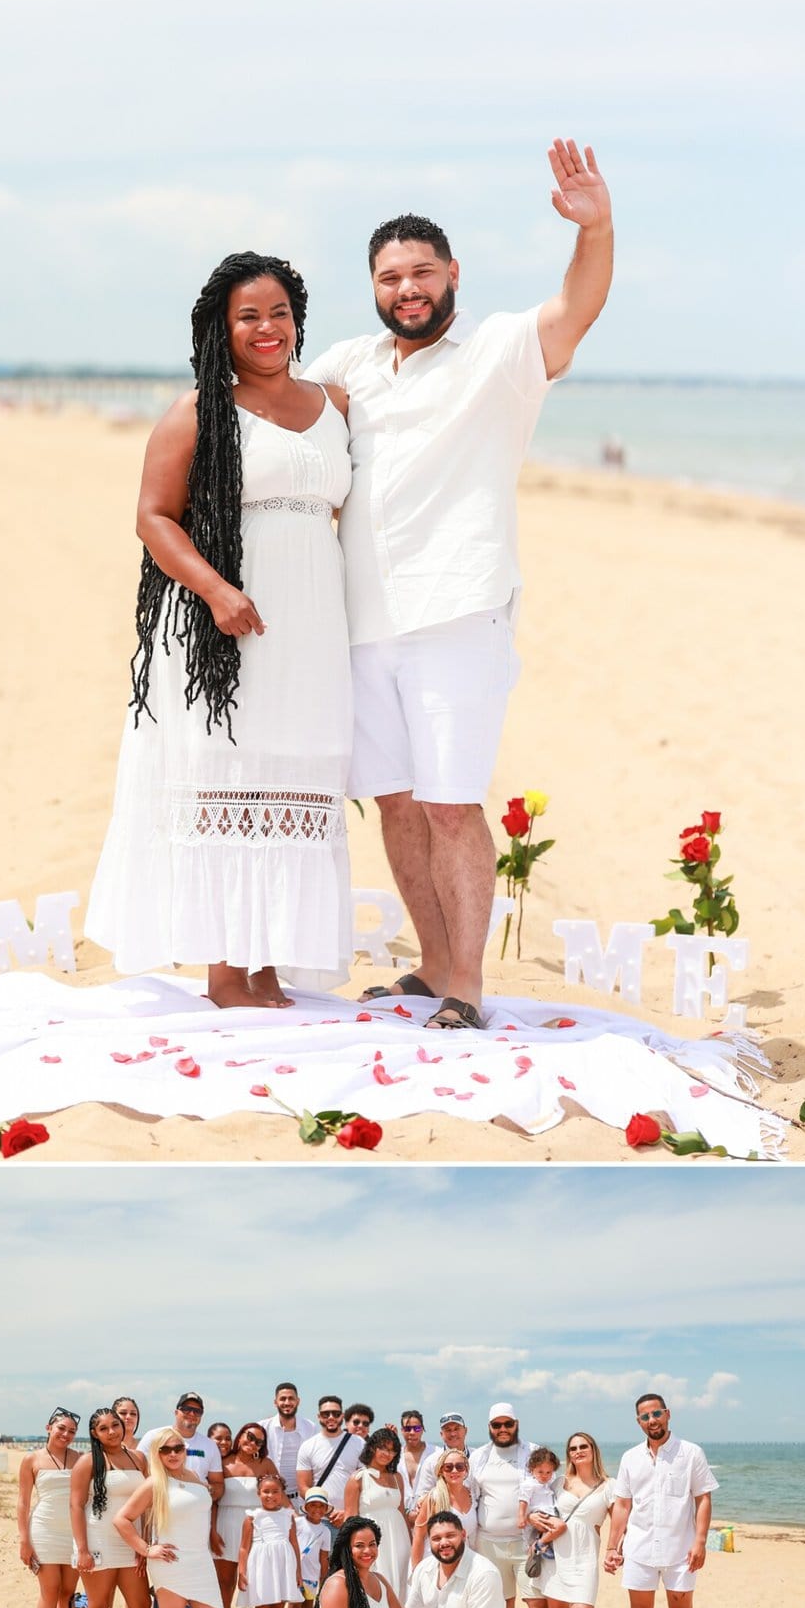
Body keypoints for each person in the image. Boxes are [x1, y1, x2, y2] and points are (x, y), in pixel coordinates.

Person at [304, 143, 613, 1028]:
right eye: (391, 276)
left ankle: (468, 988)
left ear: (452, 275)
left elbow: (577, 308)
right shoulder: (352, 365)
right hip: (364, 621)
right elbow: (279, 412)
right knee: (395, 803)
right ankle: (433, 966)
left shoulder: (500, 351)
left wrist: (595, 227)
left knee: (448, 804)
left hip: (458, 612)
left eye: (422, 273)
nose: (407, 289)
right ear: (373, 285)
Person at [85, 250, 353, 1008]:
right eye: (248, 317)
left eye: (278, 313)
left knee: (293, 773)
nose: (266, 329)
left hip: (312, 626)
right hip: (222, 626)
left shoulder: (336, 403)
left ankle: (267, 963)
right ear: (222, 328)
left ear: (297, 319)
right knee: (225, 774)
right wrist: (214, 590)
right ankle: (225, 973)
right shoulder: (201, 409)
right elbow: (153, 517)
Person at [604, 1394, 719, 1608]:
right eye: (645, 1416)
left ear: (667, 1414)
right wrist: (612, 1547)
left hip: (681, 1550)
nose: (652, 1420)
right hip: (639, 1548)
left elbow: (703, 1498)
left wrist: (700, 1542)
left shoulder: (690, 1453)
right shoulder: (630, 1458)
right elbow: (623, 1505)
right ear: (638, 1422)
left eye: (656, 1413)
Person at [114, 1427, 223, 1608]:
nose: (173, 1454)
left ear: (185, 1450)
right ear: (157, 1454)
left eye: (178, 1448)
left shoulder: (195, 1476)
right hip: (171, 1559)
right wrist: (145, 1549)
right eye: (166, 1450)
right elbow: (122, 1519)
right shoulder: (155, 1483)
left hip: (200, 1558)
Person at [526, 1431, 617, 1608]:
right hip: (556, 1555)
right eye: (573, 1448)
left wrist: (613, 1548)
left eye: (583, 1446)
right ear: (568, 1454)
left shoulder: (608, 1485)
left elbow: (620, 1520)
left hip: (585, 1555)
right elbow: (535, 1504)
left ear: (593, 1449)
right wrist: (531, 1517)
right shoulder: (557, 1482)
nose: (578, 1451)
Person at [69, 1407, 152, 1608]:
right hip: (98, 1541)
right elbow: (76, 1505)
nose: (112, 1431)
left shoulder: (138, 1457)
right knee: (100, 1607)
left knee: (142, 1603)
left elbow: (148, 1504)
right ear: (94, 1434)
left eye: (115, 1425)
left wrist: (145, 1544)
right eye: (103, 1428)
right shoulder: (87, 1461)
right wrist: (82, 1549)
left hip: (131, 1541)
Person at [16, 1407, 83, 1608]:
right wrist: (24, 1540)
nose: (66, 1434)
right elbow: (23, 1502)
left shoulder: (80, 1458)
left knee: (68, 1593)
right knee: (49, 1590)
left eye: (72, 1431)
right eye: (61, 1429)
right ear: (48, 1428)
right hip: (43, 1530)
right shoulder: (31, 1459)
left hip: (73, 1533)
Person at [211, 1422, 279, 1608]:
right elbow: (212, 1501)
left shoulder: (264, 1463)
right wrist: (212, 1531)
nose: (252, 1443)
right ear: (240, 1436)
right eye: (249, 1437)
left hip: (255, 1527)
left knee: (262, 1578)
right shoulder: (222, 1463)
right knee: (224, 1582)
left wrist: (294, 1518)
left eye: (258, 1441)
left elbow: (278, 1494)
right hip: (225, 1524)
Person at [469, 1405, 532, 1608]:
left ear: (517, 1424)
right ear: (490, 1427)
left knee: (535, 1601)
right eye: (497, 1425)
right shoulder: (479, 1457)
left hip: (526, 1542)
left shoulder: (533, 1452)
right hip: (488, 1543)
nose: (502, 1429)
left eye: (508, 1424)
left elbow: (548, 1489)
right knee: (501, 1601)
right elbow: (470, 1495)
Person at [236, 1472, 303, 1608]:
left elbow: (294, 1543)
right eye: (266, 1491)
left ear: (282, 1493)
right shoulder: (252, 1517)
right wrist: (241, 1571)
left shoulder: (288, 1516)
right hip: (262, 1566)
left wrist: (298, 1570)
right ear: (258, 1493)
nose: (270, 1496)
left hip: (283, 1565)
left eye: (275, 1491)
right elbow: (243, 1547)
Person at [343, 1428, 411, 1601]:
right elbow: (350, 1517)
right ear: (372, 1447)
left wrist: (412, 1541)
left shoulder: (397, 1477)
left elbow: (401, 1511)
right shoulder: (357, 1478)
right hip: (373, 1540)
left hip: (399, 1539)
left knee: (402, 1582)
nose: (387, 1453)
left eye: (392, 1450)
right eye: (383, 1448)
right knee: (375, 1583)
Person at [139, 1394, 224, 1503]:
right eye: (186, 1409)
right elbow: (139, 1472)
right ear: (176, 1412)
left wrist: (208, 1490)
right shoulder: (153, 1436)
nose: (192, 1414)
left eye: (197, 1411)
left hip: (198, 1513)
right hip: (161, 1509)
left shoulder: (210, 1446)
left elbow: (218, 1485)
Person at [296, 1397, 364, 1526]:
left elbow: (365, 1483)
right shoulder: (308, 1446)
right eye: (326, 1414)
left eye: (336, 1413)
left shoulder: (359, 1443)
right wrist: (329, 1511)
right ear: (319, 1416)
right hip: (319, 1520)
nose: (331, 1417)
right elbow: (303, 1487)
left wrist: (347, 1512)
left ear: (342, 1416)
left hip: (351, 1518)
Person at [411, 1449, 478, 1567]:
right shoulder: (433, 1498)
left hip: (463, 1561)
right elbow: (418, 1536)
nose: (454, 1470)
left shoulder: (472, 1495)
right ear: (441, 1470)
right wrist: (416, 1571)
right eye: (448, 1467)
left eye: (460, 1466)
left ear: (466, 1470)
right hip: (435, 1561)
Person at [260, 1382, 317, 1506]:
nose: (287, 1402)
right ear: (275, 1402)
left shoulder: (310, 1427)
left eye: (291, 1398)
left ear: (298, 1401)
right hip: (271, 1498)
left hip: (301, 1499)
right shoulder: (262, 1427)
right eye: (282, 1399)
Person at [295, 1488, 331, 1608]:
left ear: (325, 1509)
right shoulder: (297, 1524)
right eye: (313, 1505)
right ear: (307, 1507)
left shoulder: (325, 1531)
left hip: (312, 1574)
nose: (317, 1509)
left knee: (308, 1607)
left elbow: (324, 1558)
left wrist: (323, 1578)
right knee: (293, 1607)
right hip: (296, 1574)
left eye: (321, 1506)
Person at [517, 1445, 561, 1567]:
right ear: (532, 1470)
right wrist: (521, 1517)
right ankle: (539, 1545)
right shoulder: (529, 1484)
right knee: (560, 1527)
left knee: (549, 1531)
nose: (544, 1475)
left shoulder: (548, 1485)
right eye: (540, 1472)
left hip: (547, 1513)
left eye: (548, 1472)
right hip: (539, 1513)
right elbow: (523, 1500)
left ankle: (541, 1546)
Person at [414, 1412, 469, 1501]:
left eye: (457, 1429)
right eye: (448, 1430)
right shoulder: (431, 1462)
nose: (453, 1434)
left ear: (465, 1431)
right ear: (441, 1434)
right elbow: (422, 1498)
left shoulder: (477, 1457)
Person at [396, 1409, 433, 1514]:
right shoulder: (394, 1456)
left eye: (416, 1428)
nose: (412, 1433)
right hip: (401, 1517)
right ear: (402, 1431)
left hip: (429, 1516)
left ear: (422, 1430)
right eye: (407, 1428)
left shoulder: (436, 1454)